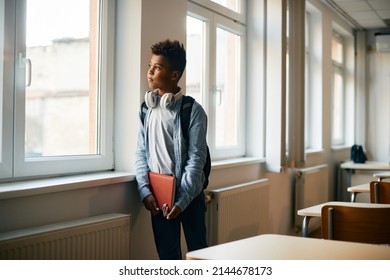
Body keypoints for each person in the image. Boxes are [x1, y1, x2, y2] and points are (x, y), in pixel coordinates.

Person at [135, 39, 208, 260]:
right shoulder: (147, 109)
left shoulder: (193, 111)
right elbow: (141, 153)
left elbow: (197, 159)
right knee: (167, 256)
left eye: (157, 68)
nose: (149, 72)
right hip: (159, 196)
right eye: (150, 66)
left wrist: (183, 199)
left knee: (199, 254)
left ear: (174, 75)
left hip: (190, 196)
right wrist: (145, 191)